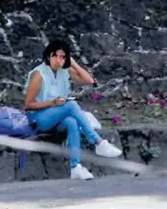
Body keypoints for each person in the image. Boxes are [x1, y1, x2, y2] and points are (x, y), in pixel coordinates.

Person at [23, 40, 122, 180]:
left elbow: (89, 81)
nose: (58, 60)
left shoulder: (65, 71)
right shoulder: (38, 74)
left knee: (71, 122)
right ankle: (97, 142)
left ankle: (76, 167)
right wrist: (52, 103)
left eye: (63, 57)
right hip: (38, 119)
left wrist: (73, 63)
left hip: (57, 118)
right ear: (47, 56)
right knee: (71, 105)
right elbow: (27, 105)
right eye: (55, 56)